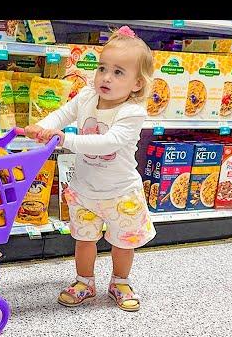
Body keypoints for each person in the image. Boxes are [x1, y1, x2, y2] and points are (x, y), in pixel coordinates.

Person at [24, 25, 155, 312]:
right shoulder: (86, 96)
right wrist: (44, 128)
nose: (106, 77)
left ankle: (120, 281)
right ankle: (85, 281)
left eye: (118, 72)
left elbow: (109, 142)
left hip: (121, 193)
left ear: (137, 84)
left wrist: (66, 139)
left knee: (123, 242)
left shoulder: (132, 112)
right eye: (102, 68)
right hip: (84, 190)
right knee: (84, 240)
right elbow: (63, 114)